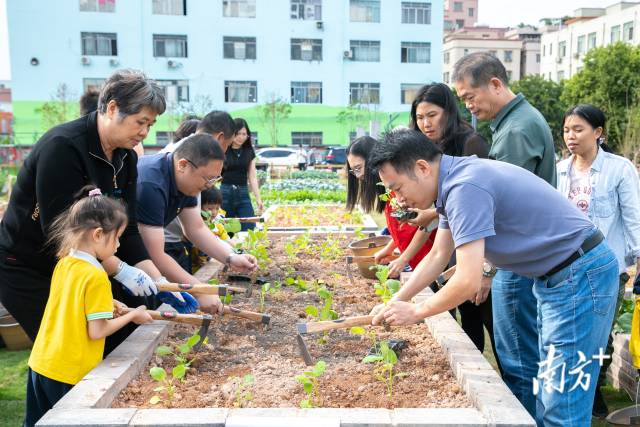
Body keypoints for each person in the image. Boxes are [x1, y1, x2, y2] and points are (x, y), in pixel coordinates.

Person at [369, 128, 618, 427]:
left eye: (396, 188)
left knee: (562, 404)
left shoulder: (465, 187)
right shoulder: (451, 186)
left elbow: (467, 280)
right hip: (562, 275)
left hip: (579, 274)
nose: (397, 199)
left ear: (422, 167)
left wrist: (417, 311)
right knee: (551, 389)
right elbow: (437, 256)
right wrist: (395, 301)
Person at [0, 69, 168, 354]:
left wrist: (156, 278)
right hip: (28, 263)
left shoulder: (125, 158)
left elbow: (127, 230)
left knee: (114, 337)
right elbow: (64, 237)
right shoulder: (64, 148)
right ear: (112, 108)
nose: (144, 133)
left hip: (85, 261)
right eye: (141, 122)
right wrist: (122, 271)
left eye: (150, 125)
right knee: (64, 349)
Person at [452, 52, 557, 419]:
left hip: (517, 261)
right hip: (523, 258)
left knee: (519, 360)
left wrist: (485, 269)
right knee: (521, 354)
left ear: (495, 84)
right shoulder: (515, 123)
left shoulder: (516, 130)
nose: (469, 107)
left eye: (470, 97)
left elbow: (496, 206)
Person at [24, 187, 153, 427]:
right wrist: (133, 315)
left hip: (41, 363)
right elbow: (97, 330)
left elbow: (70, 302)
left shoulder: (66, 262)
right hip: (68, 370)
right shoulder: (96, 275)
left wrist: (110, 303)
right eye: (117, 238)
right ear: (97, 235)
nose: (117, 247)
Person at [557, 104, 640, 418]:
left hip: (608, 266)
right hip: (565, 266)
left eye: (578, 129)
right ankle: (574, 388)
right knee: (568, 330)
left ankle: (592, 391)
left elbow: (633, 218)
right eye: (567, 130)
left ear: (598, 133)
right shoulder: (562, 170)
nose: (571, 136)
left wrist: (638, 259)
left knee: (601, 333)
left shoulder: (618, 169)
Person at [406, 82, 497, 364]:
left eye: (431, 115)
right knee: (466, 315)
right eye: (420, 118)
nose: (425, 123)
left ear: (448, 111)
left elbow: (478, 200)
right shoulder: (428, 148)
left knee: (492, 322)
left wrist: (486, 270)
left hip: (482, 245)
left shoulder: (470, 144)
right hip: (452, 240)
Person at [136, 133, 257, 315]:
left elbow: (196, 228)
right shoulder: (151, 184)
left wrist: (231, 257)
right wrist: (199, 290)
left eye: (215, 179)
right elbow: (156, 255)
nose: (210, 186)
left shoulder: (186, 183)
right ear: (183, 165)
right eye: (207, 178)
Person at [345, 136, 435, 278]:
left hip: (430, 261)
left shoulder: (401, 190)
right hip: (420, 263)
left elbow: (426, 226)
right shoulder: (390, 192)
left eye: (358, 168)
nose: (358, 176)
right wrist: (389, 248)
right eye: (353, 171)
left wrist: (403, 259)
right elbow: (405, 229)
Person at [164, 118, 201, 274]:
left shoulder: (189, 183)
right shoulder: (155, 181)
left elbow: (195, 227)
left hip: (178, 239)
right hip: (170, 240)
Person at [221, 118, 263, 231]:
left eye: (244, 134)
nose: (241, 137)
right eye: (238, 133)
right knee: (224, 228)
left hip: (243, 192)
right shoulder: (223, 149)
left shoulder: (249, 151)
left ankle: (247, 249)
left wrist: (258, 198)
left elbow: (252, 177)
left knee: (249, 226)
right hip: (225, 192)